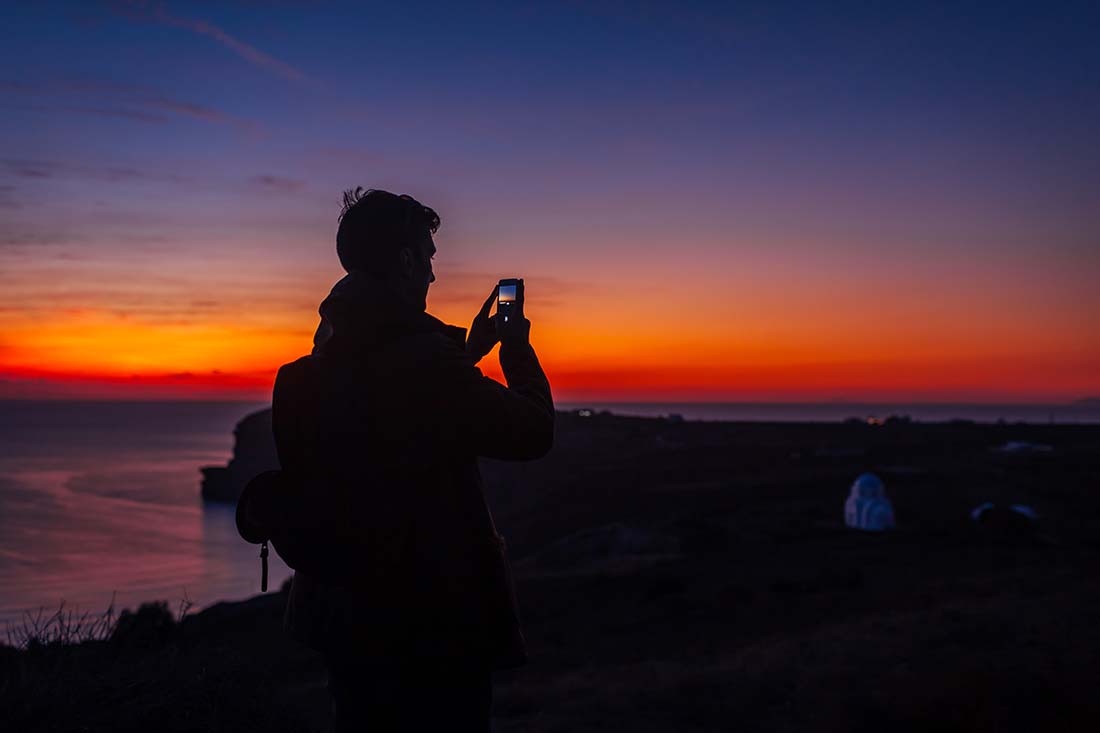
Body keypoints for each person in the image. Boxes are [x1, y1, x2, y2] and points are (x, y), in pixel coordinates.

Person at [270, 188, 554, 732]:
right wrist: (515, 346)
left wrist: (465, 353)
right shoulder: (425, 368)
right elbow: (533, 431)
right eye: (427, 257)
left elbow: (390, 402)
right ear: (404, 260)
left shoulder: (326, 351)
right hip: (431, 625)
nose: (432, 275)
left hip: (342, 616)